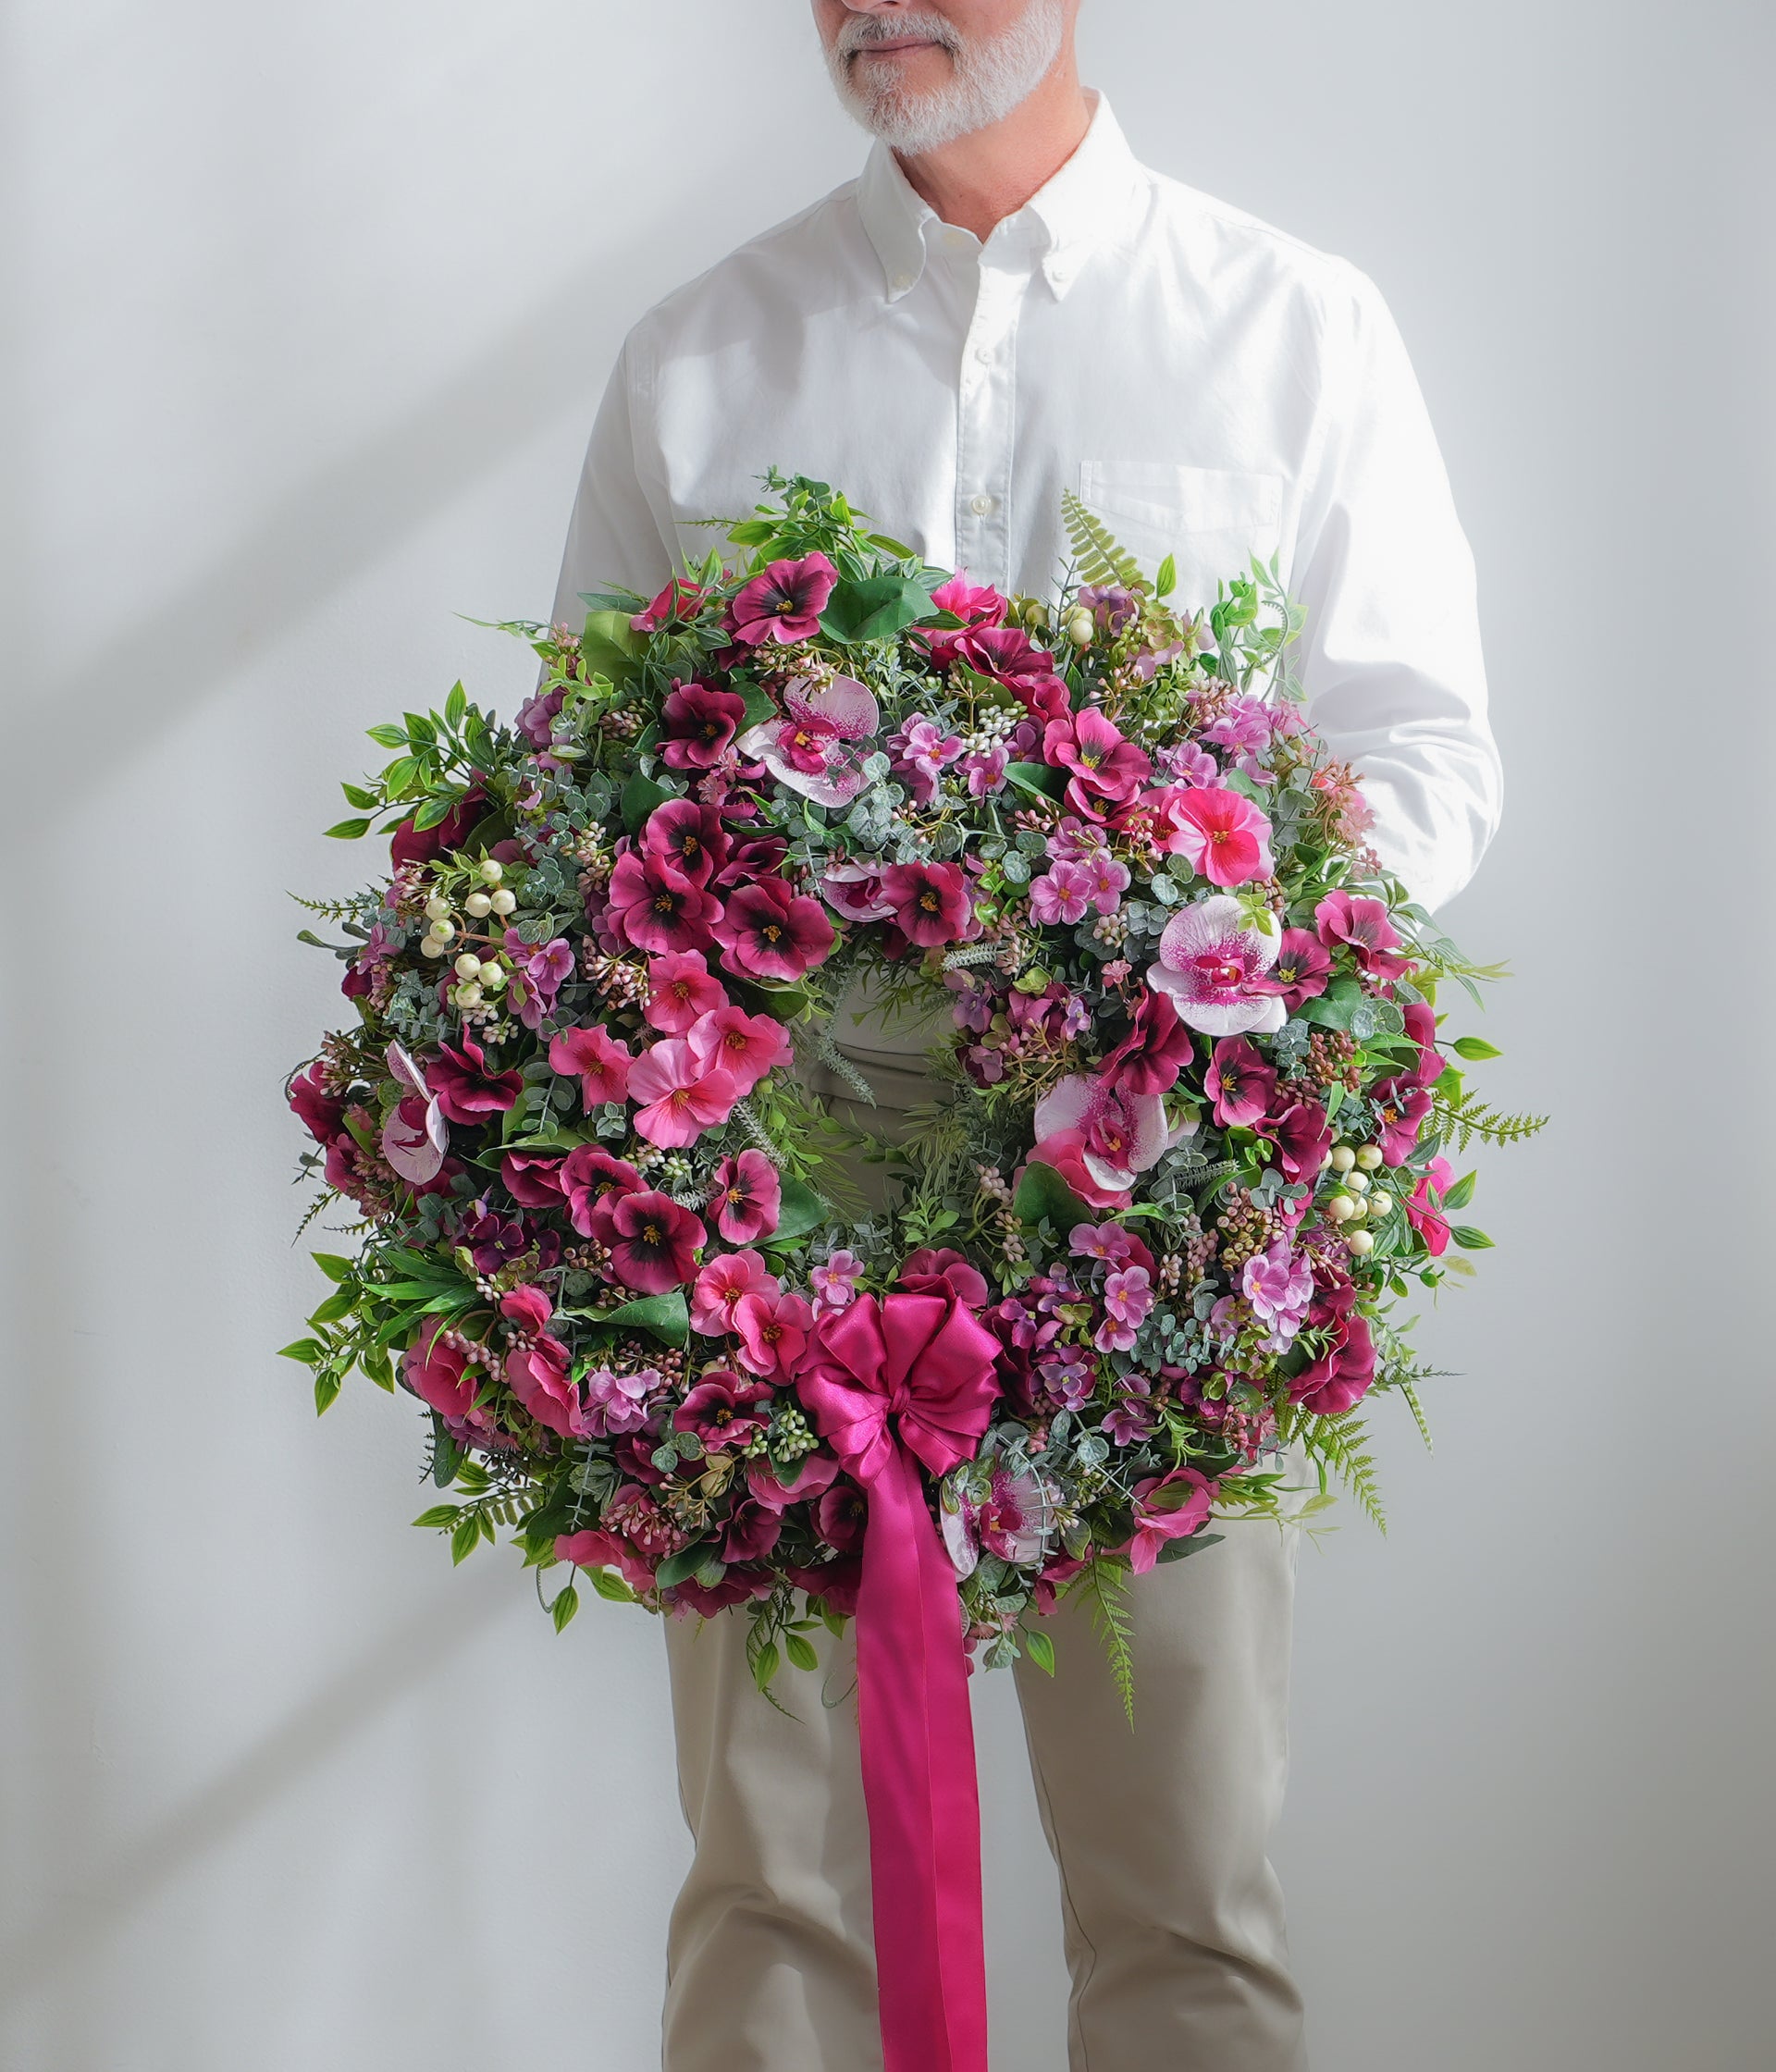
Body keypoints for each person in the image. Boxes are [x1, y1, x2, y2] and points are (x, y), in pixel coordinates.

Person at [547, 6, 1503, 2069]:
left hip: (1167, 1212)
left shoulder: (1289, 329)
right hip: (780, 1231)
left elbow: (1422, 751)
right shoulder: (703, 354)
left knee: (1184, 1890)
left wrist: (1212, 951)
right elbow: (582, 800)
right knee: (772, 1879)